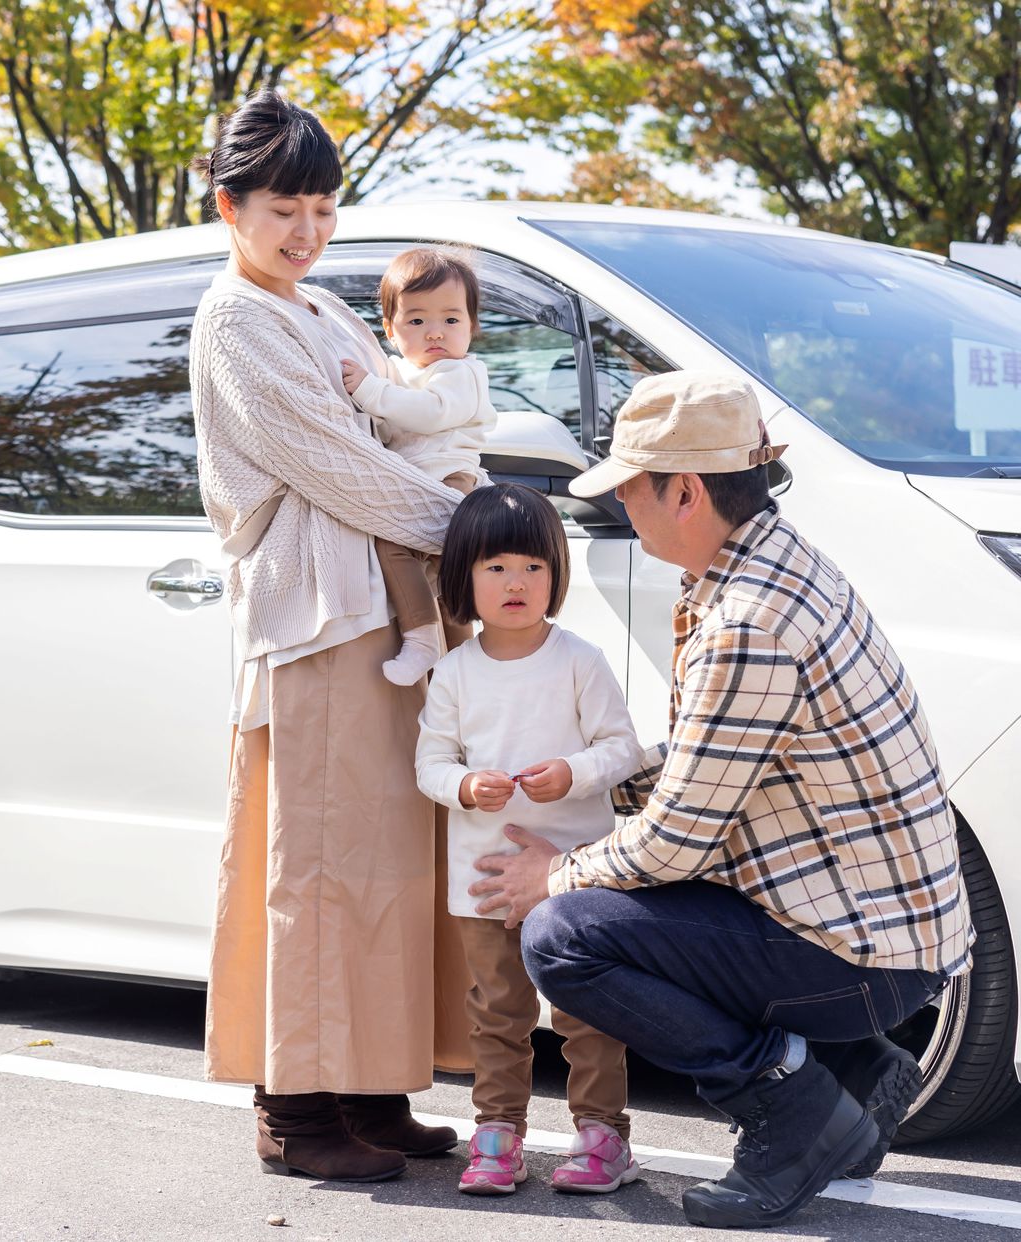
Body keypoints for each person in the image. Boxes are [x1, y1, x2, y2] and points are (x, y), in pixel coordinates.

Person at [471, 370, 973, 1230]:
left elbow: (672, 846)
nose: (623, 504)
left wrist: (551, 876)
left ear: (686, 491)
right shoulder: (783, 564)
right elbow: (721, 762)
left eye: (630, 486)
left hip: (857, 959)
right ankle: (853, 1071)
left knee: (565, 938)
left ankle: (791, 1106)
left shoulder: (748, 620)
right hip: (892, 940)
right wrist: (594, 775)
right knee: (608, 907)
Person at [187, 90, 472, 1183]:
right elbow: (339, 465)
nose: (306, 230)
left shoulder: (325, 311)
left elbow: (410, 417)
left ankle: (368, 1085)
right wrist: (478, 529)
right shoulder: (237, 317)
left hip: (381, 613)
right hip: (314, 622)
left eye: (322, 207)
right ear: (231, 206)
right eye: (283, 209)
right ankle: (295, 1110)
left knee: (390, 860)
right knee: (314, 863)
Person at [414, 484, 646, 1197]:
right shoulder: (452, 672)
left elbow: (624, 749)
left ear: (556, 575)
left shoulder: (579, 659)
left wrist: (573, 773)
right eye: (495, 568)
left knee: (586, 1011)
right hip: (482, 881)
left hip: (575, 879)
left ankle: (602, 1135)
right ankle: (498, 1133)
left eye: (533, 567)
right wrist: (462, 786)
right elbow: (429, 763)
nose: (516, 582)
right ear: (463, 579)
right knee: (497, 1011)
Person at [338, 247, 496, 686]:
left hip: (451, 479)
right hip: (416, 482)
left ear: (471, 327)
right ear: (390, 329)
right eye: (417, 320)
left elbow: (430, 413)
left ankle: (441, 645)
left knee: (430, 559)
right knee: (416, 563)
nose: (435, 333)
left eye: (451, 319)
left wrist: (370, 391)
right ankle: (436, 642)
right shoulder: (396, 373)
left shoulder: (460, 373)